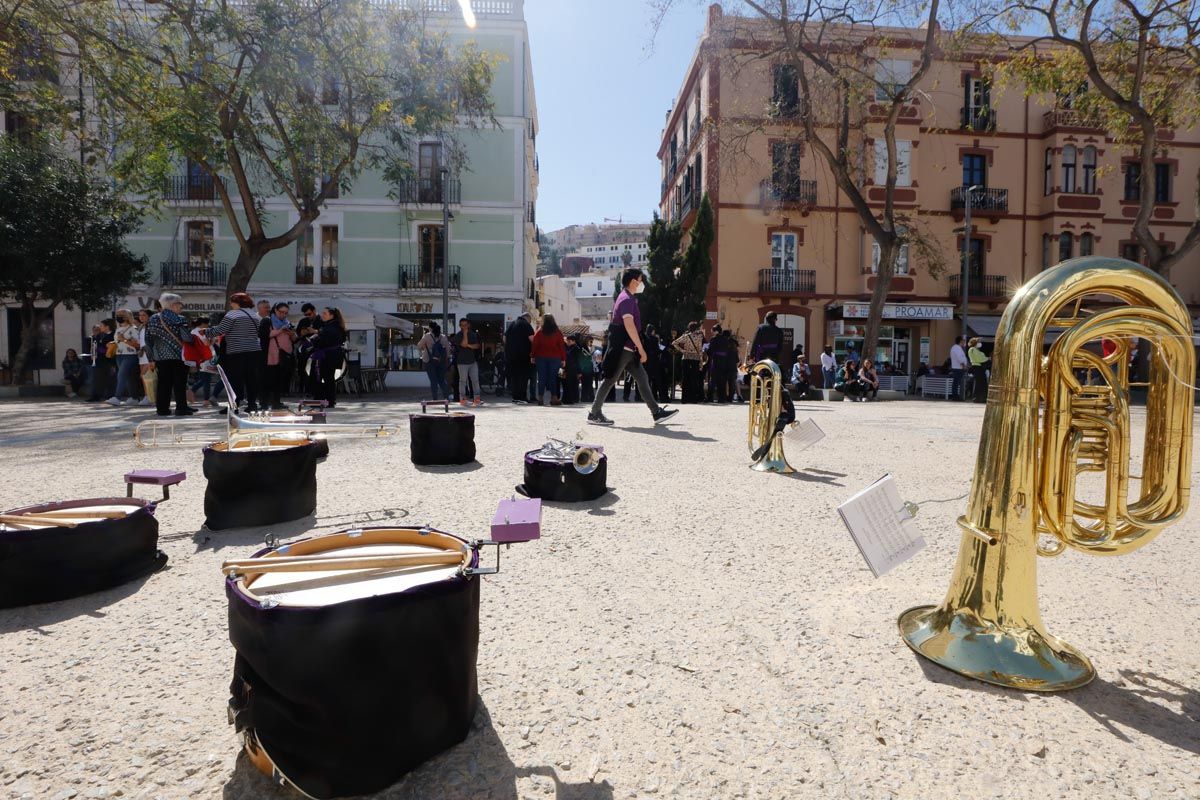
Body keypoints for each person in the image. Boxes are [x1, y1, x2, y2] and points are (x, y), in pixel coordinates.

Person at [588, 268, 678, 426]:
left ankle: (656, 412)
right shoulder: (626, 300)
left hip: (629, 350)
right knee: (610, 380)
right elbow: (629, 326)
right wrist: (641, 349)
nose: (642, 283)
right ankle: (594, 413)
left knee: (642, 379)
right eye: (641, 280)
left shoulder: (627, 298)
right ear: (633, 281)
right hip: (625, 349)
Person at [144, 293, 196, 417]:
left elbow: (148, 339)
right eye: (180, 304)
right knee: (180, 383)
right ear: (173, 305)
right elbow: (187, 338)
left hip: (160, 357)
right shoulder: (180, 319)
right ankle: (181, 408)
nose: (181, 307)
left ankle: (162, 409)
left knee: (163, 383)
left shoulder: (153, 319)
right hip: (179, 356)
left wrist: (151, 357)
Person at [210, 292, 263, 412]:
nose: (230, 304)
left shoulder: (233, 314)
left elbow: (221, 330)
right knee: (251, 379)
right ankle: (252, 405)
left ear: (236, 302)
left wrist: (207, 332)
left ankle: (234, 406)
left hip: (236, 351)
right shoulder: (254, 316)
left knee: (235, 380)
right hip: (254, 351)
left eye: (231, 302)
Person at [310, 307, 348, 407]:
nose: (322, 315)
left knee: (326, 378)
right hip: (330, 355)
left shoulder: (332, 327)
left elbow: (324, 340)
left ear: (331, 315)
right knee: (327, 378)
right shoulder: (332, 326)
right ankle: (327, 400)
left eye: (325, 313)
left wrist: (314, 339)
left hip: (328, 356)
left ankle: (326, 400)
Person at [265, 303, 297, 410]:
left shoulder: (287, 323)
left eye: (286, 313)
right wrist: (280, 330)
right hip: (272, 355)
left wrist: (292, 334)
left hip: (285, 355)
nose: (283, 314)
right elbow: (266, 335)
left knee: (280, 380)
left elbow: (294, 339)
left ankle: (277, 401)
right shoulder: (268, 321)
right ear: (275, 310)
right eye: (281, 312)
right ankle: (268, 401)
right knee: (271, 379)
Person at [108, 309, 142, 405]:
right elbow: (118, 341)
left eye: (121, 315)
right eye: (117, 315)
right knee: (129, 377)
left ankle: (117, 397)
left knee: (121, 375)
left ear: (127, 317)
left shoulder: (133, 329)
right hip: (119, 355)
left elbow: (137, 344)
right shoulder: (118, 329)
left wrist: (124, 340)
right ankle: (134, 397)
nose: (118, 317)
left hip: (130, 355)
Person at [531, 314, 567, 406]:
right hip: (555, 358)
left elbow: (535, 345)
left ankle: (540, 398)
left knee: (541, 378)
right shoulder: (557, 332)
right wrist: (563, 359)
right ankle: (554, 398)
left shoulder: (539, 332)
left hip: (541, 357)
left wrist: (533, 356)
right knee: (553, 378)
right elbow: (561, 346)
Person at [186, 317, 217, 408]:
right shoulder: (204, 331)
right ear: (204, 324)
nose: (208, 325)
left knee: (204, 377)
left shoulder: (192, 332)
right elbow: (207, 344)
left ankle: (193, 390)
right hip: (206, 356)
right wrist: (213, 340)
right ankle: (206, 399)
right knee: (206, 378)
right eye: (208, 323)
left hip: (198, 357)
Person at [505, 312, 535, 404]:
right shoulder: (526, 325)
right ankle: (522, 398)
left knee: (515, 378)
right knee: (523, 377)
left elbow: (504, 338)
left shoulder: (512, 324)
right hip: (523, 355)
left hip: (511, 356)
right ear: (528, 319)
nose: (530, 322)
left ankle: (515, 397)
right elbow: (532, 339)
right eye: (530, 321)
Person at [671, 322, 705, 403]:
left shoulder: (686, 336)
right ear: (696, 328)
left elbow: (674, 343)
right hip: (695, 359)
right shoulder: (699, 337)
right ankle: (693, 399)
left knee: (685, 378)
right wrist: (701, 360)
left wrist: (682, 350)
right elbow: (700, 349)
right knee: (694, 379)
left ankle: (684, 399)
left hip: (686, 358)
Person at [454, 317, 483, 407]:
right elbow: (463, 344)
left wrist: (468, 345)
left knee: (475, 380)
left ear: (468, 325)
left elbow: (477, 346)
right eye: (462, 325)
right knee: (463, 381)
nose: (464, 327)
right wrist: (465, 334)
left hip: (472, 362)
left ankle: (477, 399)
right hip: (462, 362)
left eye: (465, 325)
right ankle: (462, 399)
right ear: (459, 326)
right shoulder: (458, 335)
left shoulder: (473, 334)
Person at [418, 322, 451, 400]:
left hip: (429, 361)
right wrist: (446, 359)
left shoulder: (426, 336)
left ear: (430, 328)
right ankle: (446, 397)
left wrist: (425, 348)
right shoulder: (443, 337)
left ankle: (435, 398)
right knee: (442, 380)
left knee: (433, 380)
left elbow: (419, 345)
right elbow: (448, 350)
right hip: (441, 362)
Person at [86, 320, 116, 402]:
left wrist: (98, 349)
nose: (101, 327)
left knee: (110, 380)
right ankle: (96, 396)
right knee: (98, 380)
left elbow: (110, 350)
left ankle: (111, 396)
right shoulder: (102, 336)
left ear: (107, 326)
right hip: (99, 361)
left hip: (108, 361)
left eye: (102, 325)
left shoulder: (112, 335)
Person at [136, 309, 155, 406]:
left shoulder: (152, 326)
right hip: (142, 355)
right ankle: (147, 396)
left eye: (144, 315)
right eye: (140, 315)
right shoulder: (141, 327)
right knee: (144, 377)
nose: (141, 317)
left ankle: (152, 396)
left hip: (150, 354)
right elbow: (140, 342)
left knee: (149, 375)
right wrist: (140, 349)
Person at [967, 337, 989, 403]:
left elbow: (981, 357)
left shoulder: (975, 350)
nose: (980, 343)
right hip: (977, 367)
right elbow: (979, 358)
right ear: (975, 343)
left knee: (982, 383)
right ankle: (977, 398)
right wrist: (987, 358)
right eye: (978, 342)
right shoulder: (972, 349)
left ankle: (981, 398)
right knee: (978, 383)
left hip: (979, 368)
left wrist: (985, 358)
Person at [562, 334, 582, 405]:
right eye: (567, 340)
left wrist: (579, 372)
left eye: (569, 341)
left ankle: (570, 399)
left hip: (573, 369)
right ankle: (565, 399)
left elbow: (577, 360)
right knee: (565, 384)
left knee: (571, 385)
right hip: (566, 368)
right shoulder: (568, 347)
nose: (567, 342)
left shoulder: (576, 348)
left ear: (574, 341)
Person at [948, 335, 969, 401]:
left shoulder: (957, 348)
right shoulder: (956, 348)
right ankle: (955, 397)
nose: (964, 342)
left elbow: (960, 357)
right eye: (963, 341)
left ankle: (955, 396)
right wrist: (963, 365)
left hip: (958, 368)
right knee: (956, 383)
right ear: (960, 341)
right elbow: (959, 358)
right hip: (958, 368)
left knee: (956, 383)